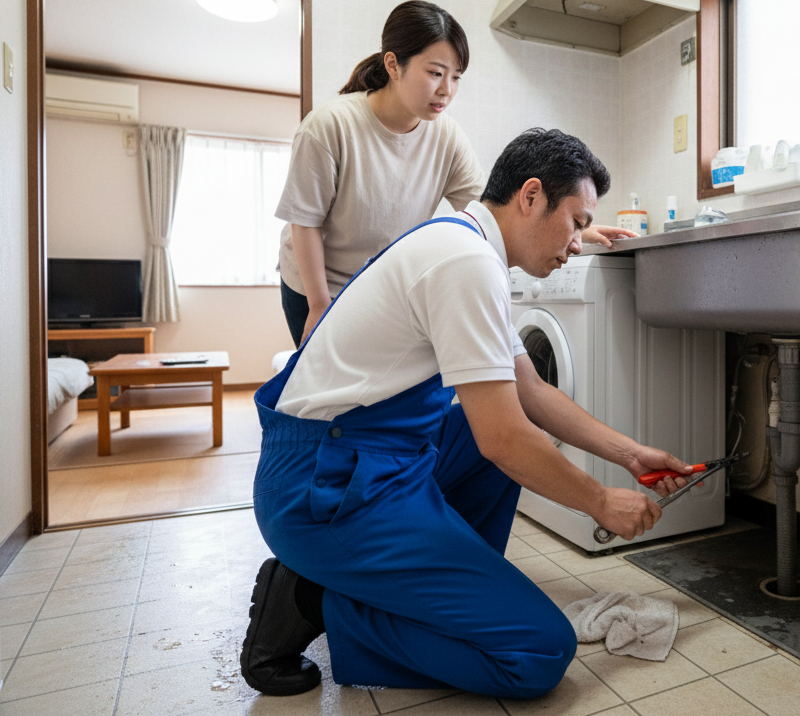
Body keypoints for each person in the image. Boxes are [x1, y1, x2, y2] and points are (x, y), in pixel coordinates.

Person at [241, 128, 694, 700]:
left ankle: (434, 596)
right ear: (531, 196)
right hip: (322, 486)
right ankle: (314, 599)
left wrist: (631, 455)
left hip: (364, 457)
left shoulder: (469, 248)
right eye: (577, 222)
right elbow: (503, 437)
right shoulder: (465, 261)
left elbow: (529, 393)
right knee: (537, 652)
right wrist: (600, 502)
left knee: (488, 434)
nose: (579, 242)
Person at [276, 0, 635, 347]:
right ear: (393, 64)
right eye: (435, 73)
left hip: (376, 286)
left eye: (456, 77)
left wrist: (574, 226)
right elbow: (305, 221)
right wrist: (319, 305)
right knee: (324, 398)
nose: (446, 90)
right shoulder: (329, 126)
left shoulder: (445, 136)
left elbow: (492, 209)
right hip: (315, 285)